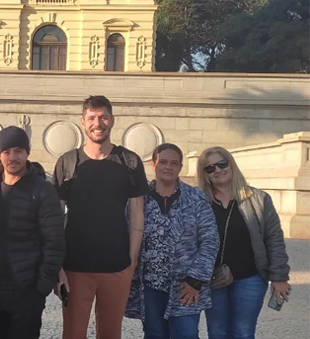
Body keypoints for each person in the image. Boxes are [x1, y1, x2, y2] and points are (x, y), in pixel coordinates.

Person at [51, 95, 148, 339]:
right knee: (73, 333)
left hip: (116, 265)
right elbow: (53, 219)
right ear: (83, 122)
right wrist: (57, 266)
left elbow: (137, 215)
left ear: (112, 120)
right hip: (75, 266)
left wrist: (132, 260)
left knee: (111, 333)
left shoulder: (130, 161)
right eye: (92, 118)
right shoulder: (67, 162)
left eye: (103, 117)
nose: (98, 123)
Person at [0, 126, 65, 339]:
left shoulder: (43, 190)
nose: (13, 157)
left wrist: (41, 287)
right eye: (7, 151)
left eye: (19, 151)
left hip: (26, 291)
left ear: (27, 152)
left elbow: (54, 241)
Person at [126, 143, 220, 339]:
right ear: (153, 164)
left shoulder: (196, 199)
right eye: (163, 162)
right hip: (150, 286)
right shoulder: (138, 200)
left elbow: (210, 240)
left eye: (174, 163)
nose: (168, 167)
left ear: (180, 167)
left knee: (186, 334)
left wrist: (195, 280)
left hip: (185, 285)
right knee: (154, 334)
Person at [196, 146, 291, 339]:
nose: (217, 170)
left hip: (251, 278)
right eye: (210, 168)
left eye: (222, 164)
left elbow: (274, 240)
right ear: (205, 174)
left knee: (244, 332)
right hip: (213, 278)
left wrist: (279, 277)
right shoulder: (198, 201)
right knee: (217, 332)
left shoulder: (259, 199)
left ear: (232, 164)